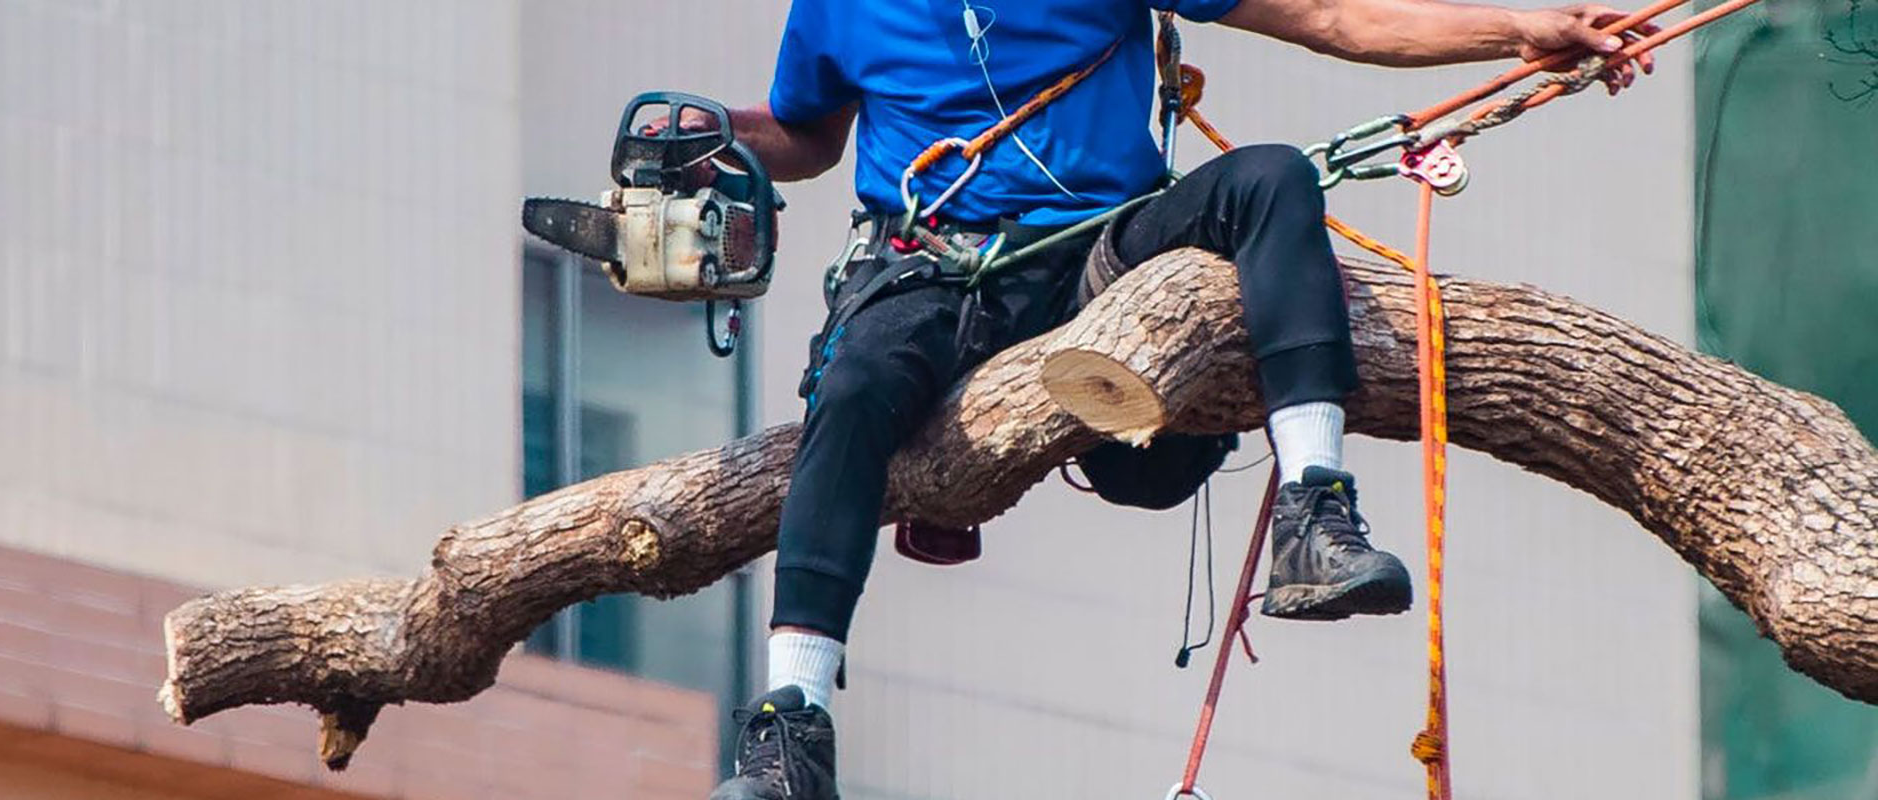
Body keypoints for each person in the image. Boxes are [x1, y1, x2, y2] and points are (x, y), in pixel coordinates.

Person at [686, 2, 1657, 797]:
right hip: (932, 272)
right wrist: (710, 135)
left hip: (1103, 250)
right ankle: (791, 728)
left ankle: (1312, 509)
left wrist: (1516, 32)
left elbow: (1329, 15)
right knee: (852, 385)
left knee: (1269, 177)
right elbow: (809, 133)